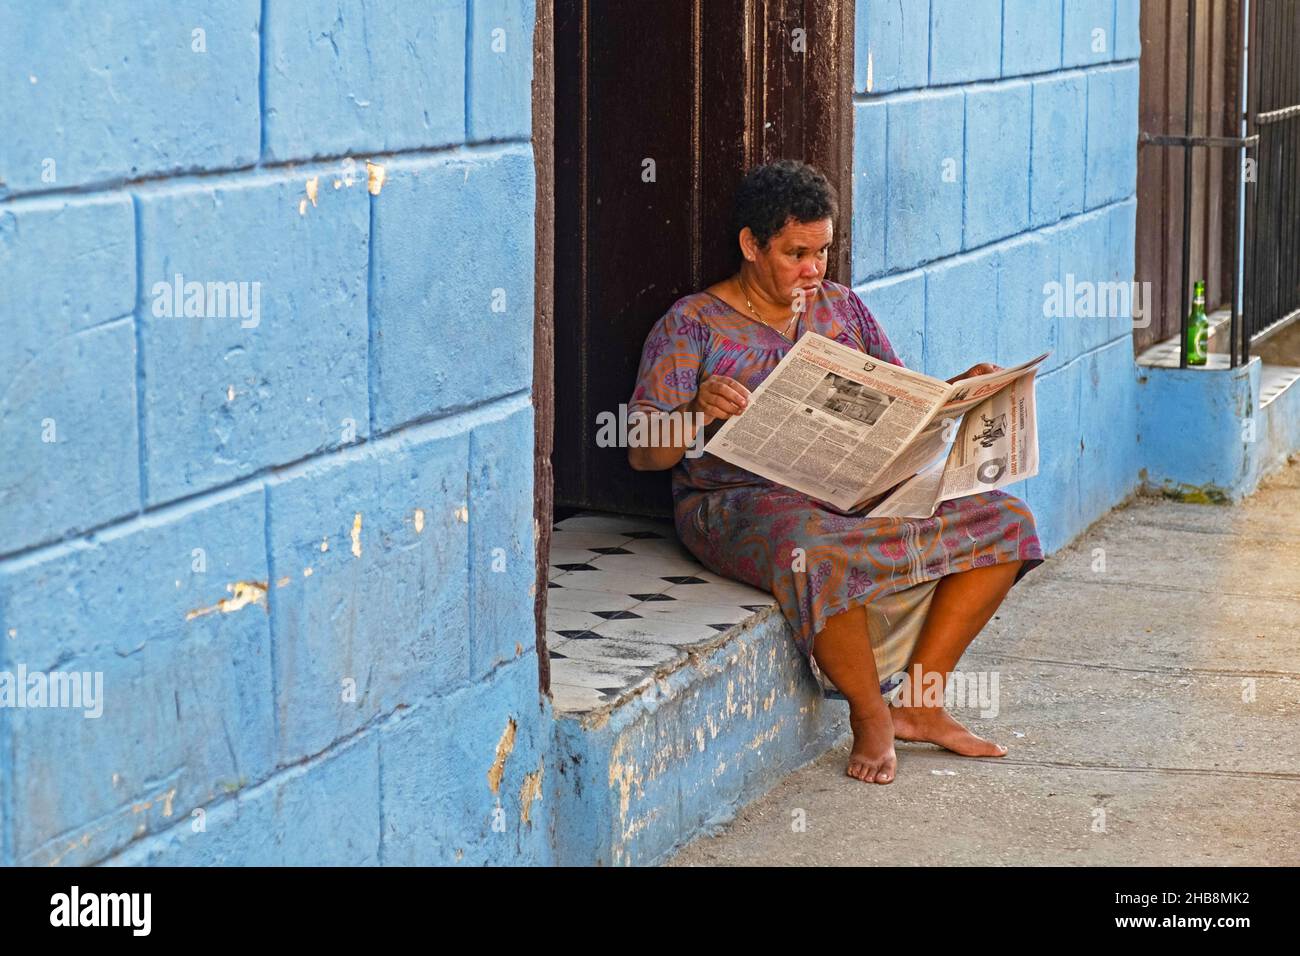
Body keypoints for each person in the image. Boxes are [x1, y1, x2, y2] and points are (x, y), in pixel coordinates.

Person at [626, 159, 1045, 785]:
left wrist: (955, 393)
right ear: (750, 244)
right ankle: (871, 715)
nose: (812, 269)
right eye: (796, 253)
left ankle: (922, 701)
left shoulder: (842, 308)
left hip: (850, 492)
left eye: (822, 251)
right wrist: (691, 413)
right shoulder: (692, 325)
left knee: (1007, 520)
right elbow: (640, 449)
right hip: (740, 500)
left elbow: (904, 397)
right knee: (814, 553)